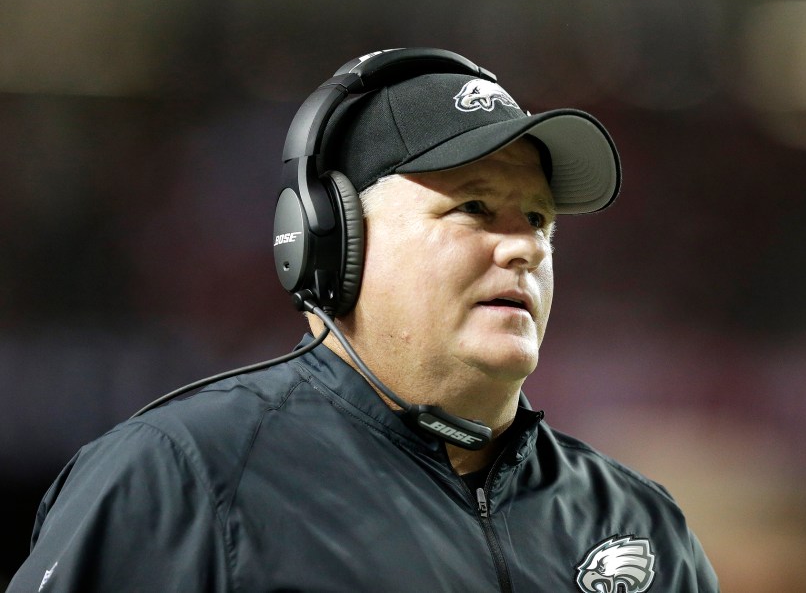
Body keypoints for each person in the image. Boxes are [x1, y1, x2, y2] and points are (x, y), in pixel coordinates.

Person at [6, 48, 718, 592]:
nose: (523, 246)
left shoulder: (636, 523)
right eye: (473, 207)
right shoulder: (181, 475)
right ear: (335, 240)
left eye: (538, 219)